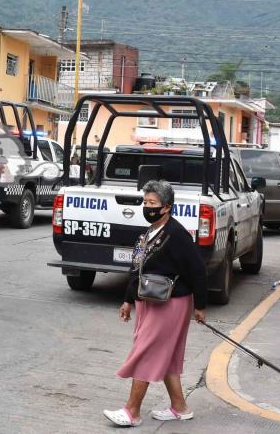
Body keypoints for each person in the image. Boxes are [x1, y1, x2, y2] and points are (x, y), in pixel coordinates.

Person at [103, 179, 208, 427]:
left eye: (152, 203)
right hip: (148, 301)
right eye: (145, 201)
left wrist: (200, 306)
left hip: (172, 303)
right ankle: (180, 407)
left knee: (147, 352)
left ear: (167, 207)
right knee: (166, 355)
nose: (147, 206)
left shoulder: (177, 235)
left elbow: (199, 271)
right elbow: (136, 269)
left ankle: (132, 412)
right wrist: (128, 301)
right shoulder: (148, 234)